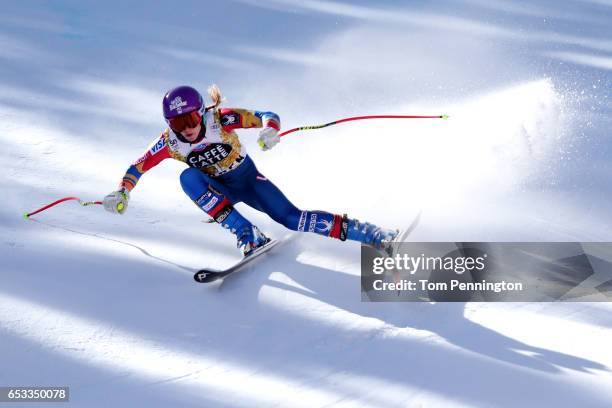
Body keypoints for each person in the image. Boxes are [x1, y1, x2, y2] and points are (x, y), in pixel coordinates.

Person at [103, 85, 398, 256]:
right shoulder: (168, 143)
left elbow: (267, 116)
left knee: (292, 219)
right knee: (188, 177)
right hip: (219, 189)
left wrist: (271, 130)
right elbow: (137, 166)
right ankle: (248, 235)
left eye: (192, 118)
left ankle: (373, 234)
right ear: (169, 124)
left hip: (248, 180)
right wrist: (123, 191)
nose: (189, 129)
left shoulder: (221, 120)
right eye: (180, 124)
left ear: (202, 111)